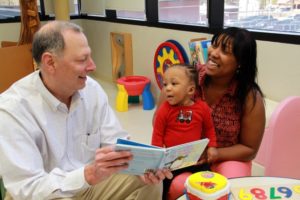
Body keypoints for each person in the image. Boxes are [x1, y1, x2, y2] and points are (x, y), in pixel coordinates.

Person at [0, 21, 172, 200]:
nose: (92, 66)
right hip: (44, 194)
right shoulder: (12, 110)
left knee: (148, 181)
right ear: (50, 62)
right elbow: (28, 189)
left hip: (88, 184)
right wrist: (87, 175)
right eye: (82, 60)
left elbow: (114, 142)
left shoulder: (91, 89)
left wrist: (141, 165)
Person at [155, 27, 266, 198]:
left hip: (227, 157)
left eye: (225, 51)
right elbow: (159, 119)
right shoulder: (188, 78)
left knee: (231, 187)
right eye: (214, 45)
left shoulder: (249, 96)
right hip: (186, 159)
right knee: (179, 186)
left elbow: (250, 149)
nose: (213, 53)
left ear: (240, 63)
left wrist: (214, 154)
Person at [151, 63, 218, 200]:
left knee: (209, 183)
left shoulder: (202, 108)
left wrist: (212, 147)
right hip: (171, 162)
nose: (167, 89)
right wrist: (157, 158)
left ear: (190, 90)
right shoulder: (164, 110)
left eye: (174, 84)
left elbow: (209, 128)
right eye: (165, 84)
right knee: (162, 187)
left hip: (196, 159)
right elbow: (157, 135)